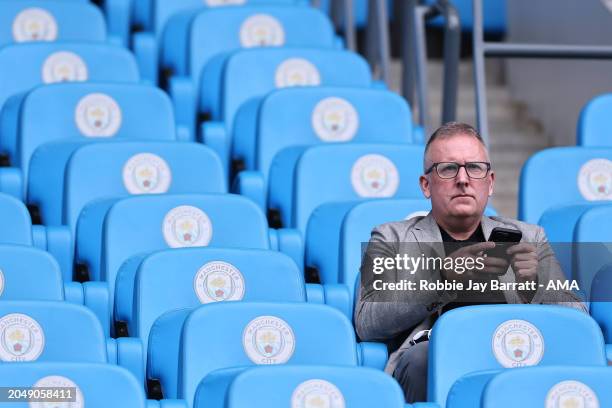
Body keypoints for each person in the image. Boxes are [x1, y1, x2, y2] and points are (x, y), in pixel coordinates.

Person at [354, 122, 586, 403]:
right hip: (435, 353)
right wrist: (441, 280)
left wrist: (533, 286)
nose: (463, 179)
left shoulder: (529, 236)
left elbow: (579, 320)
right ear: (426, 185)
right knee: (424, 359)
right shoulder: (390, 237)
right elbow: (368, 321)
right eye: (448, 168)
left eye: (474, 168)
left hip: (511, 352)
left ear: (489, 183)